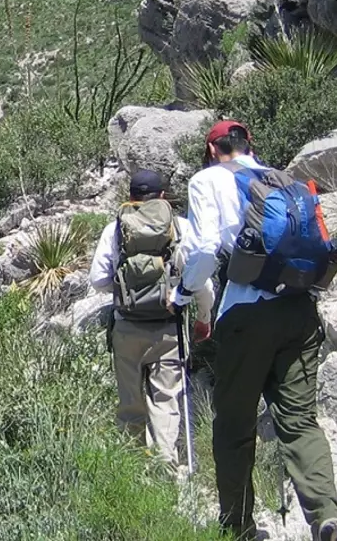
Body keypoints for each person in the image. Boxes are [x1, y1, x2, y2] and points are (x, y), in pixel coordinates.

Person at [171, 121, 337, 541]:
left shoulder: (207, 180)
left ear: (213, 150)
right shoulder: (283, 181)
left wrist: (183, 294)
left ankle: (238, 526)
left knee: (234, 424)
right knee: (301, 421)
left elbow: (203, 249)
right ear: (249, 144)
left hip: (246, 312)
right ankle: (326, 514)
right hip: (300, 311)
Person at [88, 168, 215, 471]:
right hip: (168, 326)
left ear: (131, 197)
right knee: (166, 398)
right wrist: (204, 317)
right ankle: (165, 466)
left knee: (130, 400)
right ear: (162, 196)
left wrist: (124, 292)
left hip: (127, 326)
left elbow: (98, 279)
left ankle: (132, 467)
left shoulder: (116, 229)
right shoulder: (180, 227)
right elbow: (202, 282)